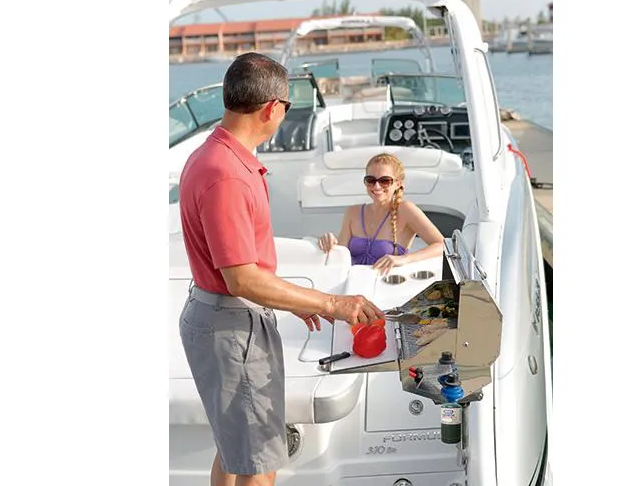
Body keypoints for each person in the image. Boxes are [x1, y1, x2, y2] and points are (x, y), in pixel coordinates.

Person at [177, 52, 384, 486]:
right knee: (259, 464)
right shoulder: (228, 174)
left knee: (234, 451)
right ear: (272, 108)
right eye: (287, 105)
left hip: (218, 316)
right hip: (233, 329)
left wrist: (295, 301)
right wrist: (331, 303)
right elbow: (241, 278)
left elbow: (242, 270)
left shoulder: (210, 154)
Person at [317, 152, 445, 275]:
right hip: (352, 283)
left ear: (398, 184)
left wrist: (405, 259)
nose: (377, 186)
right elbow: (340, 256)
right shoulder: (353, 212)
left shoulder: (406, 210)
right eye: (370, 180)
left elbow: (442, 245)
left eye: (385, 181)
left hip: (386, 285)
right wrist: (330, 242)